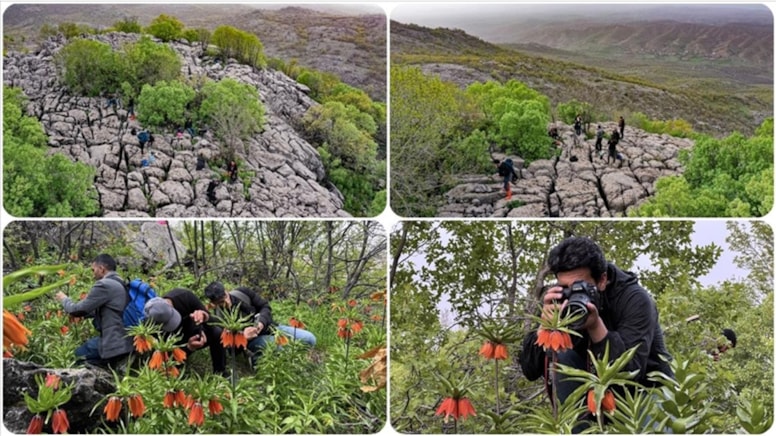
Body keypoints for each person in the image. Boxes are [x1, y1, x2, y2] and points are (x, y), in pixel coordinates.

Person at [519, 237, 673, 427]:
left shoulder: (635, 299)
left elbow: (631, 373)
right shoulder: (560, 300)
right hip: (592, 388)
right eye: (565, 287)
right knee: (563, 350)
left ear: (602, 280)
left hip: (649, 389)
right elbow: (530, 370)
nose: (572, 294)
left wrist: (595, 326)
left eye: (580, 287)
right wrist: (546, 325)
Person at [204, 281, 316, 368]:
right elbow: (229, 348)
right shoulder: (218, 318)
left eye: (225, 298)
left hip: (269, 327)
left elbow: (265, 306)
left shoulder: (242, 293)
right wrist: (243, 336)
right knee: (286, 349)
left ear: (226, 291)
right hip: (252, 341)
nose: (226, 303)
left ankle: (262, 357)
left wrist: (261, 323)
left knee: (310, 339)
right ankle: (255, 357)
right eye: (220, 303)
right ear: (213, 304)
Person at [54, 254, 132, 368]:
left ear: (101, 269)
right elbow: (108, 310)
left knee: (75, 356)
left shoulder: (104, 284)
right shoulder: (121, 284)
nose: (93, 274)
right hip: (124, 341)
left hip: (113, 342)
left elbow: (77, 310)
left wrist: (64, 300)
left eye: (93, 269)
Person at [143, 289, 227, 376]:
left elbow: (219, 323)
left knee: (217, 332)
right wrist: (189, 348)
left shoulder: (185, 297)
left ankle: (220, 372)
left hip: (194, 334)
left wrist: (206, 317)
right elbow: (162, 359)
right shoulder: (150, 325)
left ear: (169, 304)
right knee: (163, 367)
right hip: (175, 346)